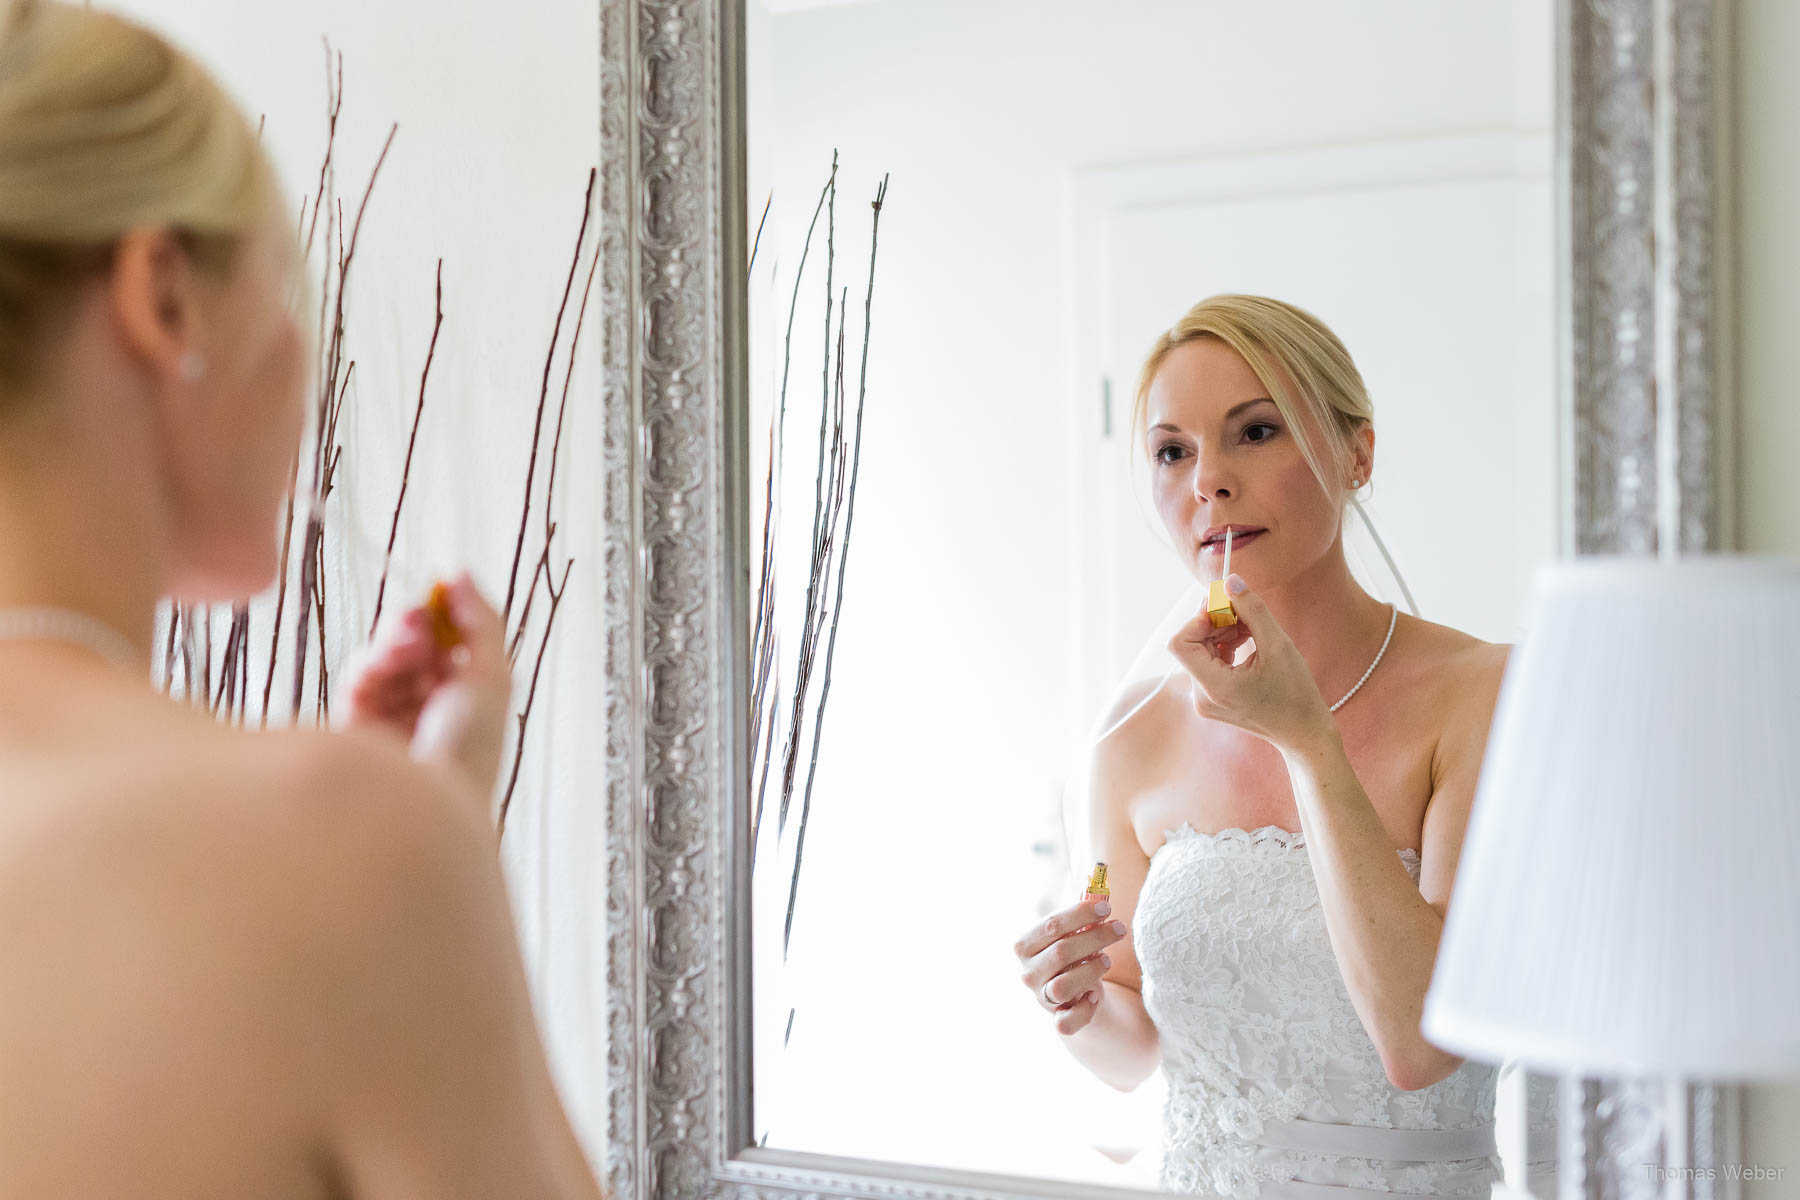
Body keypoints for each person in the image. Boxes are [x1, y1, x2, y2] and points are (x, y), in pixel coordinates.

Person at [0, 3, 605, 1196]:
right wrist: (440, 845)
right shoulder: (345, 845)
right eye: (286, 288)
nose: (303, 358)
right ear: (163, 297)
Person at [1012, 295, 1555, 1197]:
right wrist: (1075, 1004)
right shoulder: (1129, 741)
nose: (1208, 483)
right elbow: (1132, 1050)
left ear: (1358, 453)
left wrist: (1307, 739)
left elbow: (1422, 1046)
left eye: (1255, 432)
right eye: (1172, 450)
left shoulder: (1484, 693)